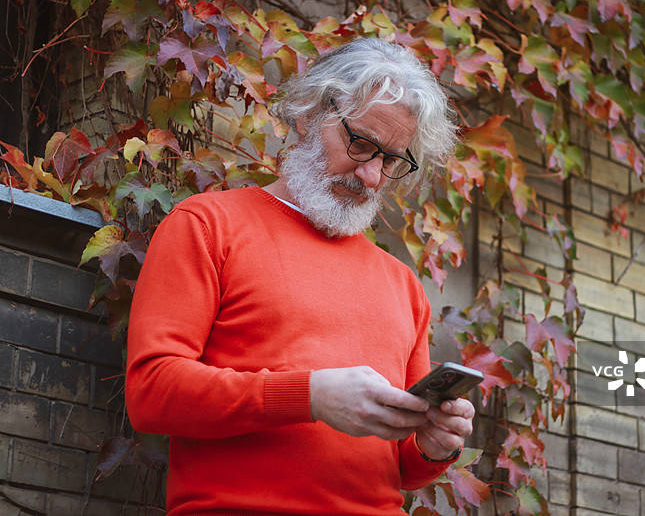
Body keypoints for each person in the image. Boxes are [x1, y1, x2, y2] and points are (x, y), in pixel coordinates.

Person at [125, 37, 475, 515]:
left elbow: (402, 468)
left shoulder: (404, 286)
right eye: (361, 144)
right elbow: (151, 394)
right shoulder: (207, 225)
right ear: (310, 114)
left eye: (391, 159)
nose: (372, 177)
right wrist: (308, 396)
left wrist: (435, 446)